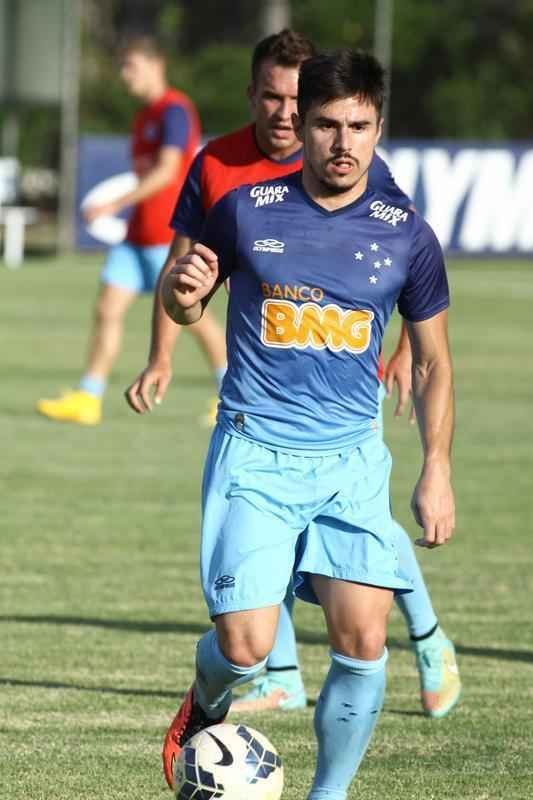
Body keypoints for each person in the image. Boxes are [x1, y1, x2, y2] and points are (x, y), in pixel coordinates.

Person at [126, 30, 461, 720]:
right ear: (262, 101)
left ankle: (427, 643)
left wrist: (434, 457)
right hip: (255, 440)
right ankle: (261, 672)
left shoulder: (389, 210)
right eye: (282, 103)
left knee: (363, 627)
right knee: (241, 636)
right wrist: (171, 326)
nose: (289, 117)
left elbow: (414, 310)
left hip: (348, 444)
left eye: (357, 126)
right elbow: (183, 277)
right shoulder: (225, 178)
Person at [36, 35, 226, 425]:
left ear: (156, 65)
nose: (125, 76)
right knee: (107, 309)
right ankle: (88, 398)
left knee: (194, 319)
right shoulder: (144, 116)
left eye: (131, 67)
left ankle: (228, 394)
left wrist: (114, 204)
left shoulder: (175, 110)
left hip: (168, 236)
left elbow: (169, 171)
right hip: (137, 235)